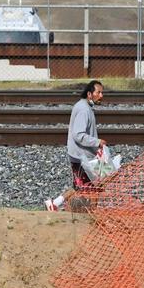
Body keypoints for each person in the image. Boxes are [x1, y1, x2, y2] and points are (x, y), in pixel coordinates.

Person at [45, 79, 104, 211]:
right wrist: (97, 142)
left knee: (81, 185)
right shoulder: (84, 110)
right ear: (89, 94)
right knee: (95, 186)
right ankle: (94, 215)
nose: (101, 95)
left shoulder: (84, 106)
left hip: (79, 155)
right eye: (98, 92)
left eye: (102, 93)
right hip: (81, 156)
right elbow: (78, 135)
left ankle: (55, 203)